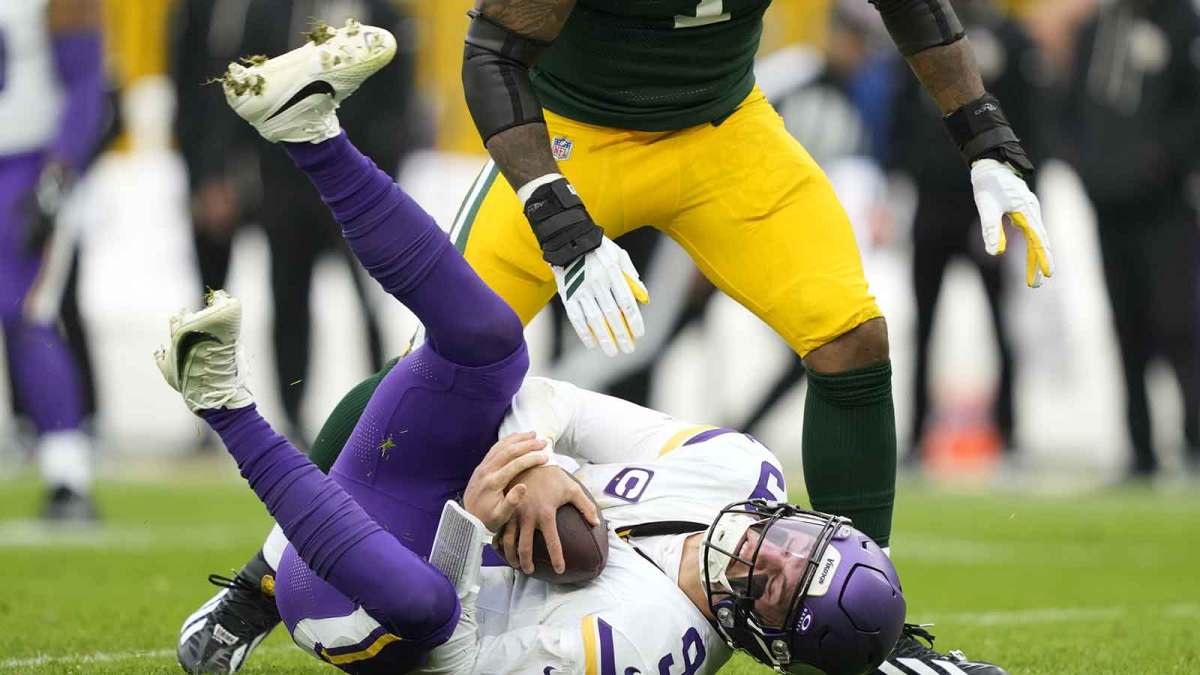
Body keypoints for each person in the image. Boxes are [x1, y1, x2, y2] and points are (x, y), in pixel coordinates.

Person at [181, 2, 1046, 670]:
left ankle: (864, 611)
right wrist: (557, 215)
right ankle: (260, 585)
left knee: (851, 335)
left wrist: (984, 137)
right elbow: (490, 55)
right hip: (572, 134)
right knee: (423, 383)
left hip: (724, 129)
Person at [888, 0, 1050, 466]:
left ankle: (1009, 432)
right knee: (924, 323)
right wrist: (900, 182)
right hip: (933, 202)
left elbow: (1030, 121)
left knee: (1001, 322)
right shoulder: (914, 23)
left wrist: (1022, 197)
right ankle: (916, 435)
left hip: (987, 205)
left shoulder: (1010, 39)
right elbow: (901, 117)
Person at [1061, 0, 1200, 479]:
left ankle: (1195, 439)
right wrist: (1086, 167)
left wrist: (1160, 162)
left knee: (1179, 323)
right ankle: (1140, 449)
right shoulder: (1095, 31)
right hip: (1108, 205)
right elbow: (1069, 108)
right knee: (1126, 328)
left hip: (1166, 209)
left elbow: (1193, 110)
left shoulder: (1182, 24)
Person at [0, 0, 106, 520]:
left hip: (27, 166)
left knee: (28, 313)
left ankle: (67, 474)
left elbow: (87, 82)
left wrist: (62, 169)